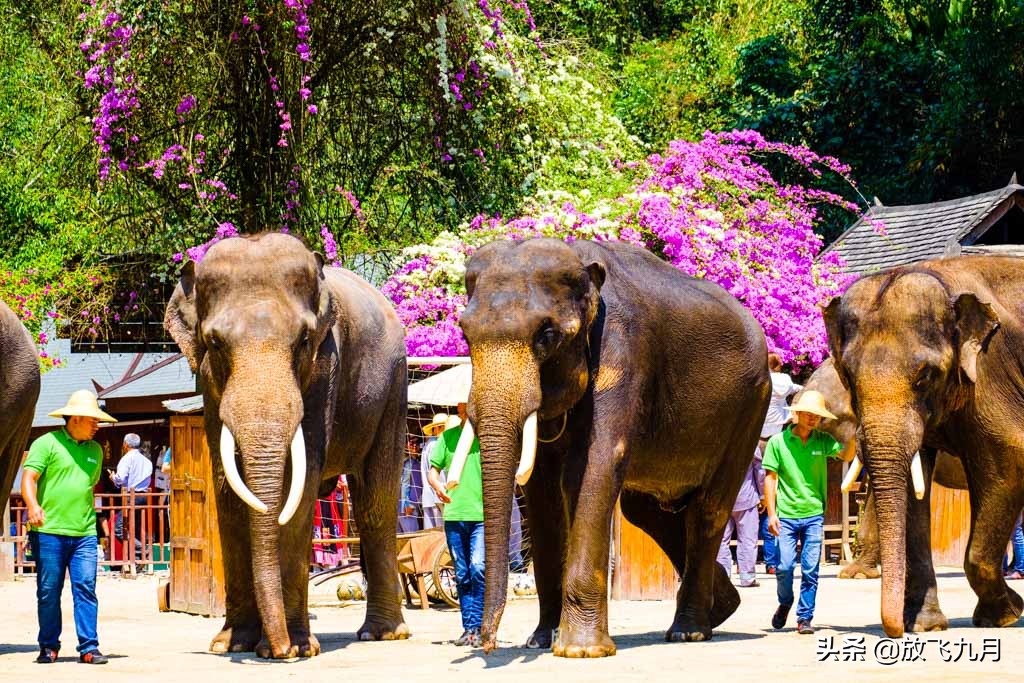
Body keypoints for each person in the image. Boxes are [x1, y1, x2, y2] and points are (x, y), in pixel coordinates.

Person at [21, 390, 117, 665]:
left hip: (84, 533)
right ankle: (49, 645)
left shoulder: (95, 451)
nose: (97, 425)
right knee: (49, 590)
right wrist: (32, 505)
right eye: (93, 420)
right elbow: (29, 477)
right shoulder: (46, 443)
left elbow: (86, 488)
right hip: (48, 531)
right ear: (75, 418)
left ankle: (89, 647)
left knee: (85, 587)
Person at [764, 389, 856, 635]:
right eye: (808, 413)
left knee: (810, 569)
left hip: (814, 514)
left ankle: (804, 618)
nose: (813, 418)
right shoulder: (777, 443)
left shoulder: (823, 440)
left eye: (817, 415)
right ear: (797, 414)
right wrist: (771, 514)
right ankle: (785, 602)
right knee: (783, 566)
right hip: (786, 515)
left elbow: (846, 454)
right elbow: (770, 479)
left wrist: (857, 433)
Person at [427, 402, 484, 647]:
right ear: (458, 408)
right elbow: (433, 471)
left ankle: (481, 625)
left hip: (482, 516)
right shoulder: (447, 438)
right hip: (453, 514)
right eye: (461, 405)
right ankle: (469, 628)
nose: (465, 408)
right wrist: (438, 486)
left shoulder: (489, 436)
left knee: (478, 567)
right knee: (462, 573)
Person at [759, 353, 800, 574]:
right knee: (773, 499)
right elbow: (799, 389)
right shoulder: (783, 380)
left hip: (757, 440)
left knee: (763, 499)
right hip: (778, 437)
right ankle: (772, 562)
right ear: (780, 365)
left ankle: (769, 561)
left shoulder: (757, 379)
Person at [717, 445, 764, 587]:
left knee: (720, 541)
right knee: (748, 540)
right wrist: (762, 495)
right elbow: (759, 470)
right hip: (746, 498)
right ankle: (747, 578)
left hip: (721, 500)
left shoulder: (718, 439)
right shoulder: (749, 439)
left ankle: (723, 578)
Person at [109, 433, 153, 563]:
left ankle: (141, 550)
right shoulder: (147, 461)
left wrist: (113, 478)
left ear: (125, 445)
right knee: (136, 528)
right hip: (144, 496)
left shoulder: (127, 459)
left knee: (119, 528)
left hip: (131, 496)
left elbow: (121, 478)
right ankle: (138, 561)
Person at [419, 413, 449, 529]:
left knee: (431, 534)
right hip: (438, 497)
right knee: (442, 535)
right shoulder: (437, 444)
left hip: (429, 496)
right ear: (437, 428)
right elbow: (438, 473)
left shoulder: (427, 445)